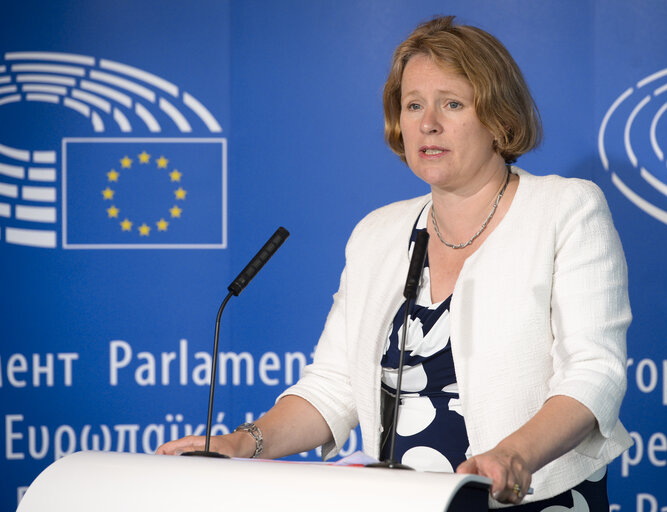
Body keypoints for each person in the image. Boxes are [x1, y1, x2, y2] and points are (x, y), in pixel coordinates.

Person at [158, 15, 632, 510]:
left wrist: (515, 453)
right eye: (413, 105)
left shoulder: (564, 210)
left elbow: (594, 372)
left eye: (452, 103)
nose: (428, 123)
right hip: (400, 501)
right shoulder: (377, 234)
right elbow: (333, 386)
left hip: (531, 498)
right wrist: (241, 443)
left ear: (499, 118)